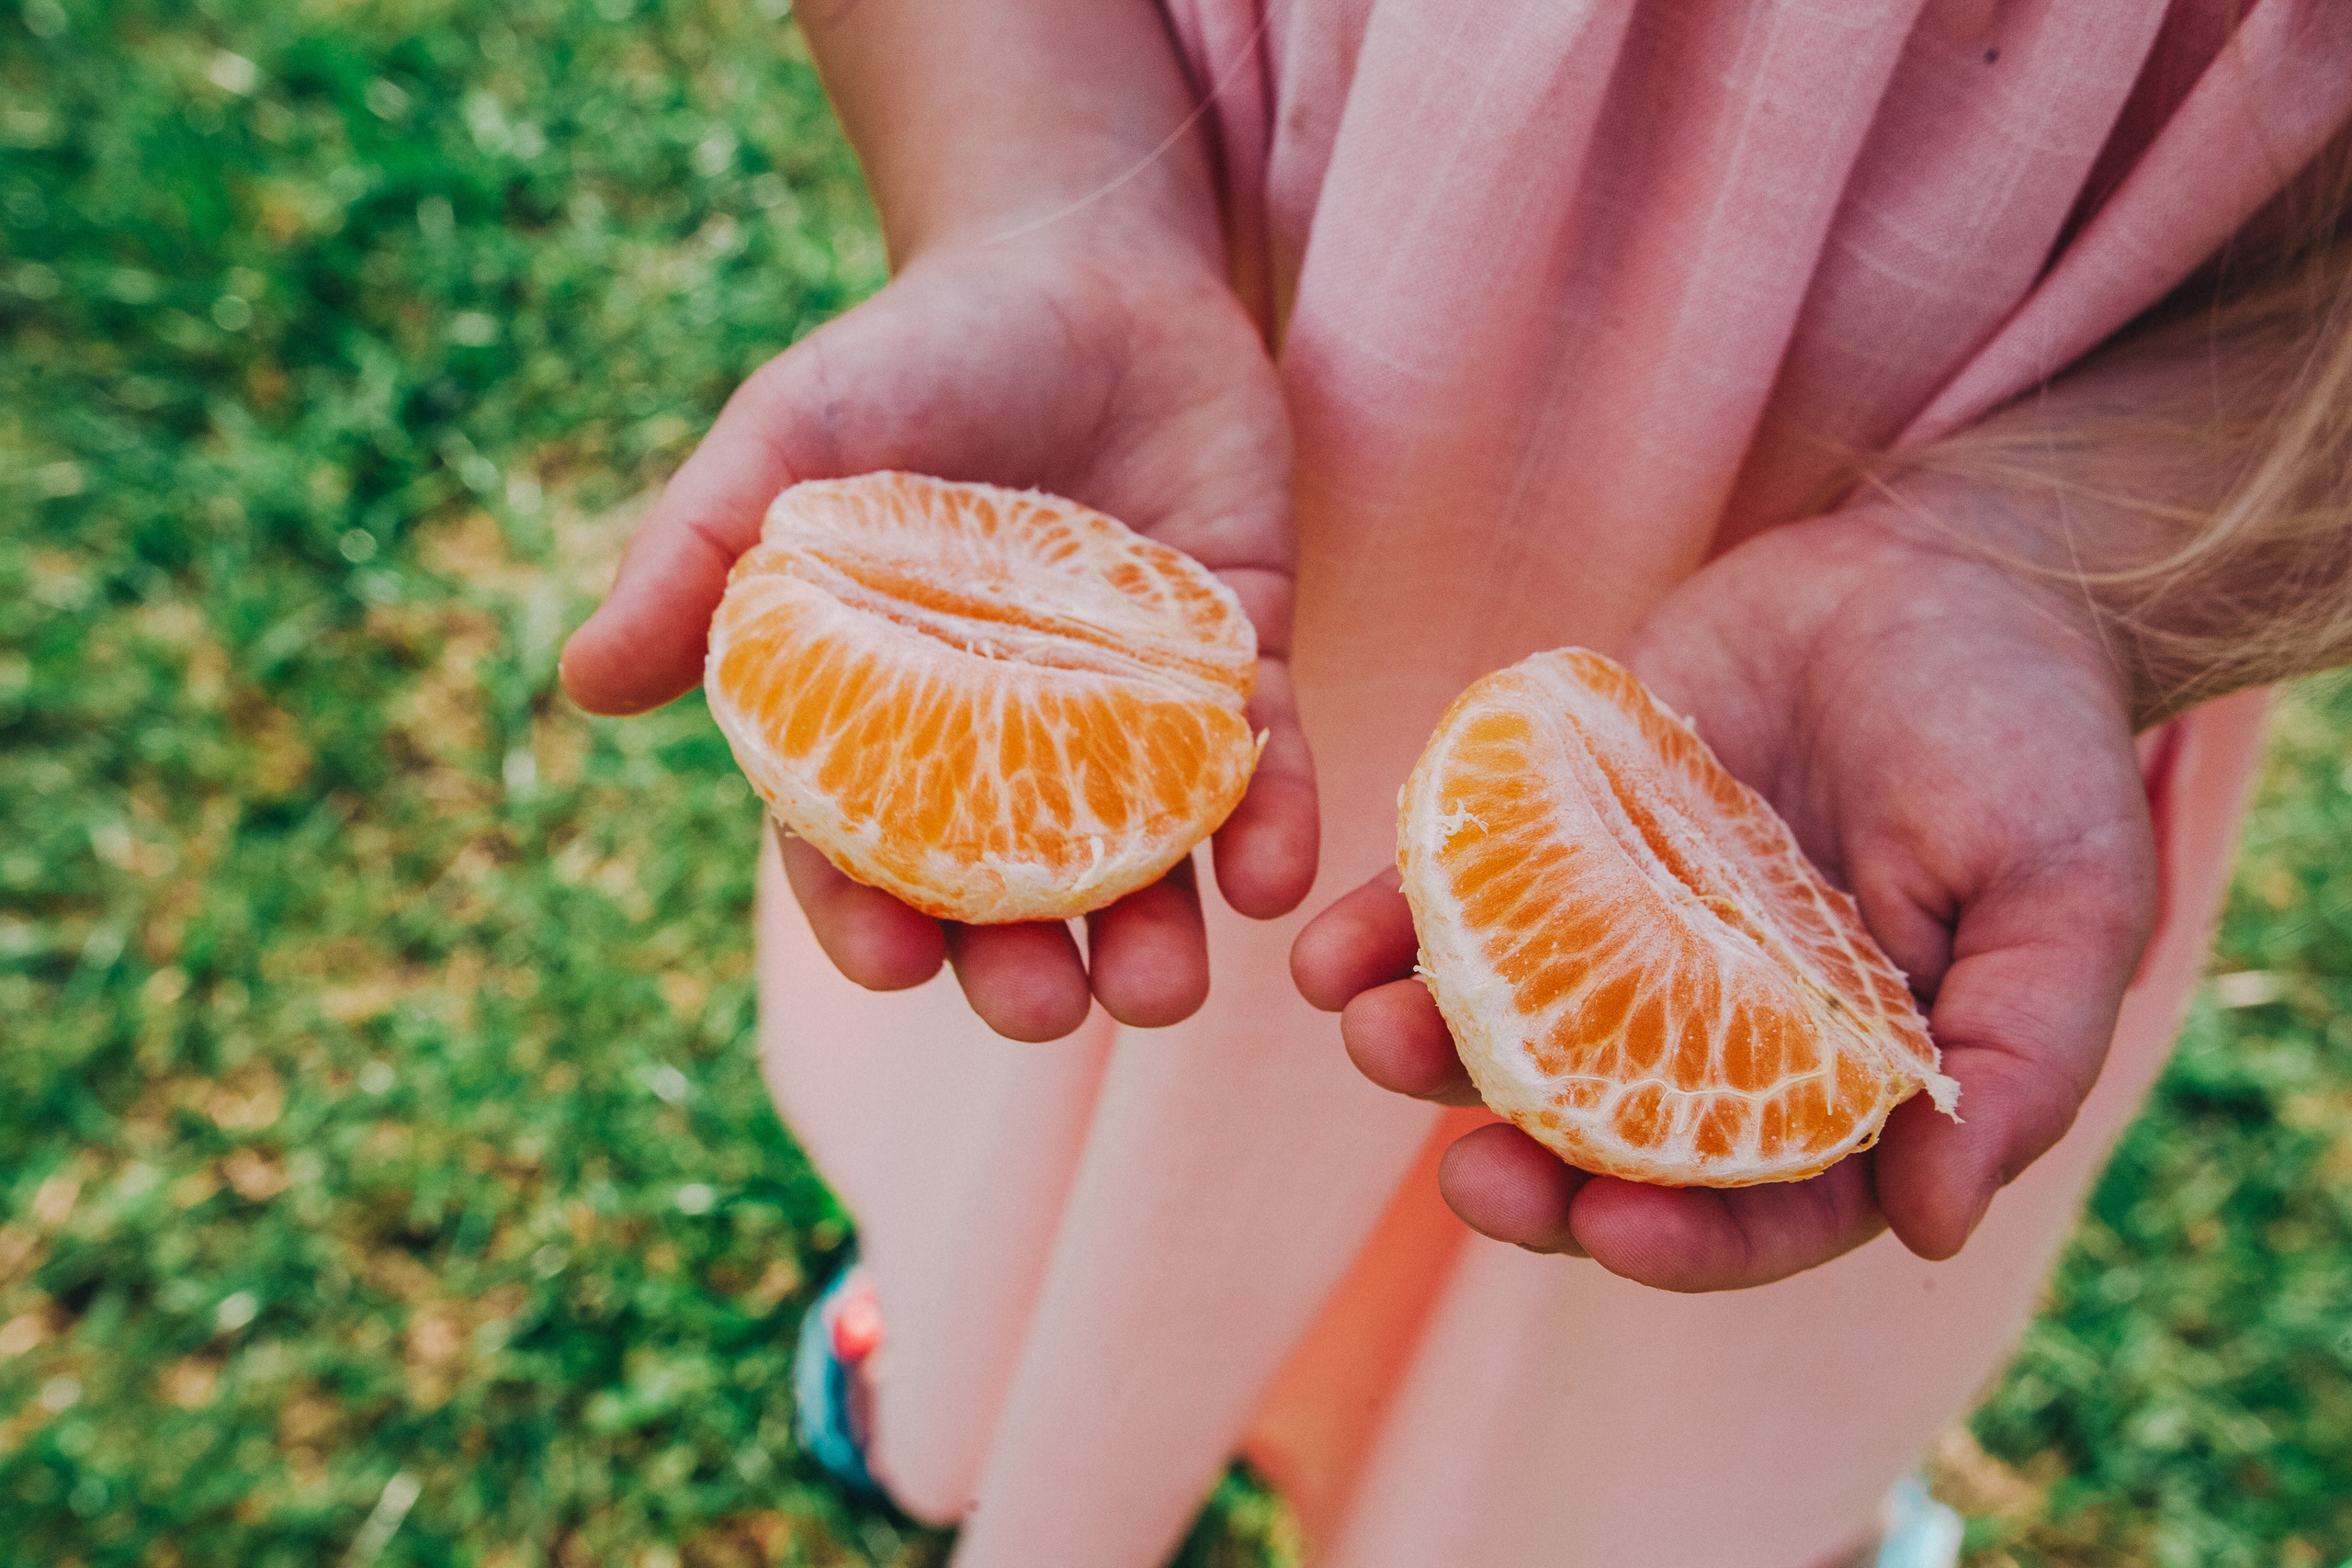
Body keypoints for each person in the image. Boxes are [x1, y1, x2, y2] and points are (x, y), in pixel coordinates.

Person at [559, 3, 2352, 1563]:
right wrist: (1042, 187)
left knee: (1613, 1402)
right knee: (1069, 1154)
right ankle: (981, 1360)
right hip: (1245, 423)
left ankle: (1675, 1525)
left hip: (1958, 635)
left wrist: (2052, 566)